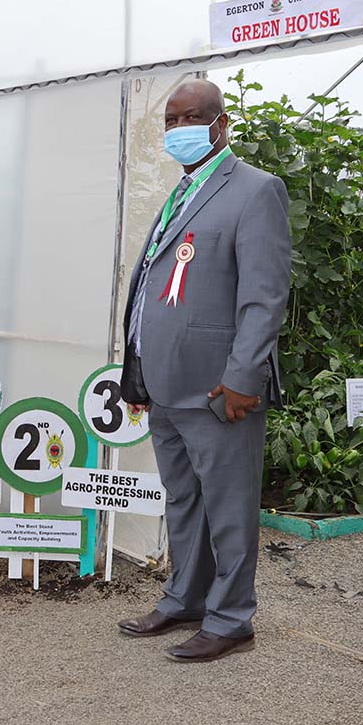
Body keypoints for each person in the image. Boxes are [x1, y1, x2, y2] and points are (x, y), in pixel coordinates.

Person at [117, 79, 291, 663]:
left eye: (189, 118)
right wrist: (136, 373)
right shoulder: (181, 192)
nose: (177, 130)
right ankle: (185, 597)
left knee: (229, 505)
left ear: (220, 124)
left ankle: (232, 616)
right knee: (183, 499)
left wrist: (244, 376)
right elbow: (151, 288)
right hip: (165, 385)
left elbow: (264, 297)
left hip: (221, 388)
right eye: (170, 120)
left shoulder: (255, 191)